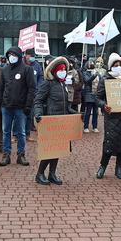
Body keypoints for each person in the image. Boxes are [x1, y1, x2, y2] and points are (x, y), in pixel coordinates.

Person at [33, 56, 75, 185]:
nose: (63, 71)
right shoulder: (47, 84)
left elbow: (66, 104)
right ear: (54, 71)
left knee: (58, 149)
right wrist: (38, 114)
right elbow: (38, 101)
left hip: (62, 122)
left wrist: (74, 113)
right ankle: (39, 174)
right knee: (50, 150)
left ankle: (52, 174)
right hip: (50, 121)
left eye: (64, 69)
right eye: (60, 69)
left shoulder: (63, 84)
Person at [95, 53, 121, 179]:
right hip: (112, 117)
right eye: (115, 65)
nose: (118, 67)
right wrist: (104, 105)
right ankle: (103, 166)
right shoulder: (105, 80)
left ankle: (119, 167)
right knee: (109, 142)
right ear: (110, 66)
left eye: (120, 65)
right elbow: (97, 98)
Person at [0, 46, 35, 167]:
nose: (11, 57)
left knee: (21, 132)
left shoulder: (27, 69)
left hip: (21, 107)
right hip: (6, 106)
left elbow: (32, 88)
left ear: (19, 56)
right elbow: (1, 88)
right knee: (6, 131)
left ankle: (21, 155)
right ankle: (6, 155)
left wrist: (28, 105)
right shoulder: (4, 70)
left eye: (14, 55)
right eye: (9, 55)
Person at [23, 49, 43, 140]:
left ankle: (27, 134)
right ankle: (16, 135)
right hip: (21, 94)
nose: (32, 58)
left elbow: (40, 76)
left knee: (29, 114)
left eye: (33, 56)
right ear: (26, 55)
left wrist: (38, 87)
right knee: (19, 115)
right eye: (30, 56)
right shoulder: (21, 64)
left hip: (33, 93)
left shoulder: (37, 65)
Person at [82, 59, 99, 133]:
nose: (91, 64)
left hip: (96, 94)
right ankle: (86, 126)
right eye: (90, 63)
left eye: (92, 63)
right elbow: (87, 81)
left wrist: (98, 74)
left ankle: (95, 126)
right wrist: (94, 75)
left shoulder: (96, 72)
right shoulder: (85, 73)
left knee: (96, 111)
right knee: (88, 111)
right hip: (89, 94)